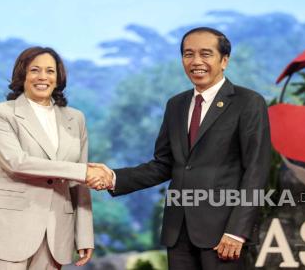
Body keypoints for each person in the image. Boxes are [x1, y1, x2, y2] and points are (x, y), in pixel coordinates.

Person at [87, 27, 271, 269]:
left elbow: (256, 170)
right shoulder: (176, 105)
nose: (196, 62)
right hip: (178, 233)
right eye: (188, 54)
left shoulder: (248, 102)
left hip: (223, 234)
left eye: (206, 54)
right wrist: (113, 177)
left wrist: (237, 232)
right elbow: (164, 165)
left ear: (224, 60)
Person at [0, 47, 107, 269]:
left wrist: (85, 234)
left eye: (50, 71)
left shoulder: (76, 118)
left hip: (56, 234)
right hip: (6, 229)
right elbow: (16, 162)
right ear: (22, 75)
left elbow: (79, 183)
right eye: (35, 70)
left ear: (58, 78)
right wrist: (83, 172)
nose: (43, 77)